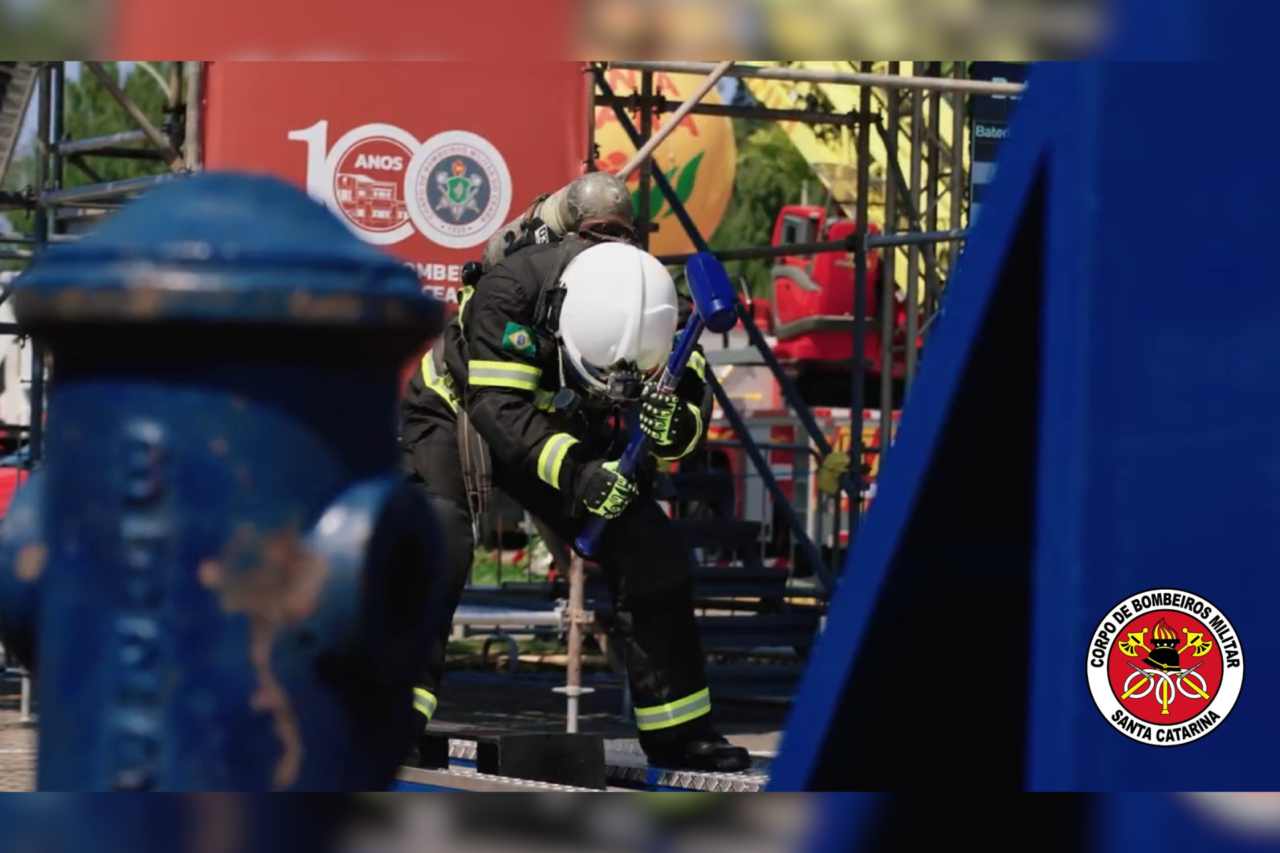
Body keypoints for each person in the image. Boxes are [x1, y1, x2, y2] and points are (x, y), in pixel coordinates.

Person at [399, 221, 750, 772]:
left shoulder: (663, 314)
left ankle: (681, 733)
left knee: (651, 549)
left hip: (563, 417)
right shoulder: (511, 291)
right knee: (438, 541)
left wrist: (669, 427)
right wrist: (584, 477)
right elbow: (501, 414)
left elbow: (689, 420)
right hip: (460, 410)